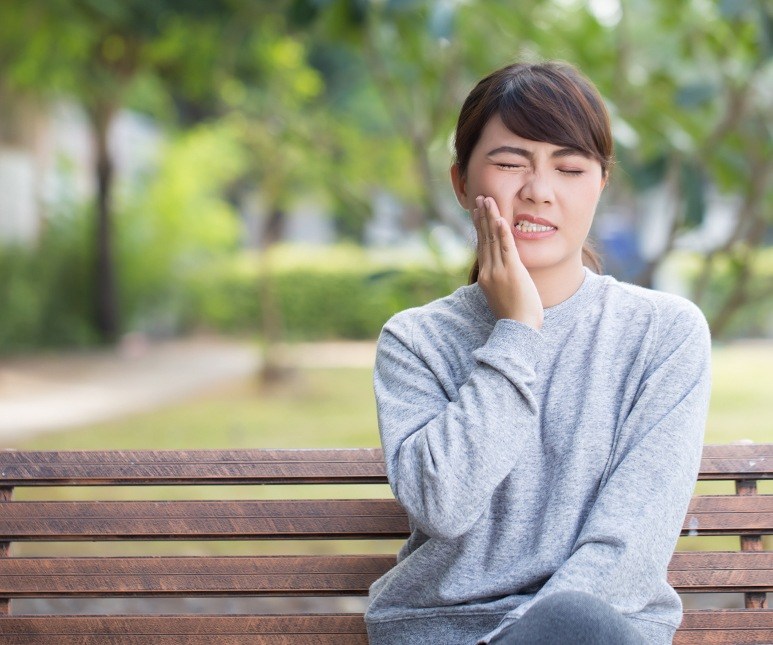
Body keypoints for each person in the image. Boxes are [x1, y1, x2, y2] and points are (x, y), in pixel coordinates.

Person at [364, 61, 712, 645]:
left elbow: (626, 552)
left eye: (570, 167)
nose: (538, 191)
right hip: (441, 633)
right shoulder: (415, 341)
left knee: (576, 621)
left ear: (600, 185)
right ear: (461, 182)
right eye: (508, 163)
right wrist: (517, 333)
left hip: (594, 631)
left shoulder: (665, 334)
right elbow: (443, 505)